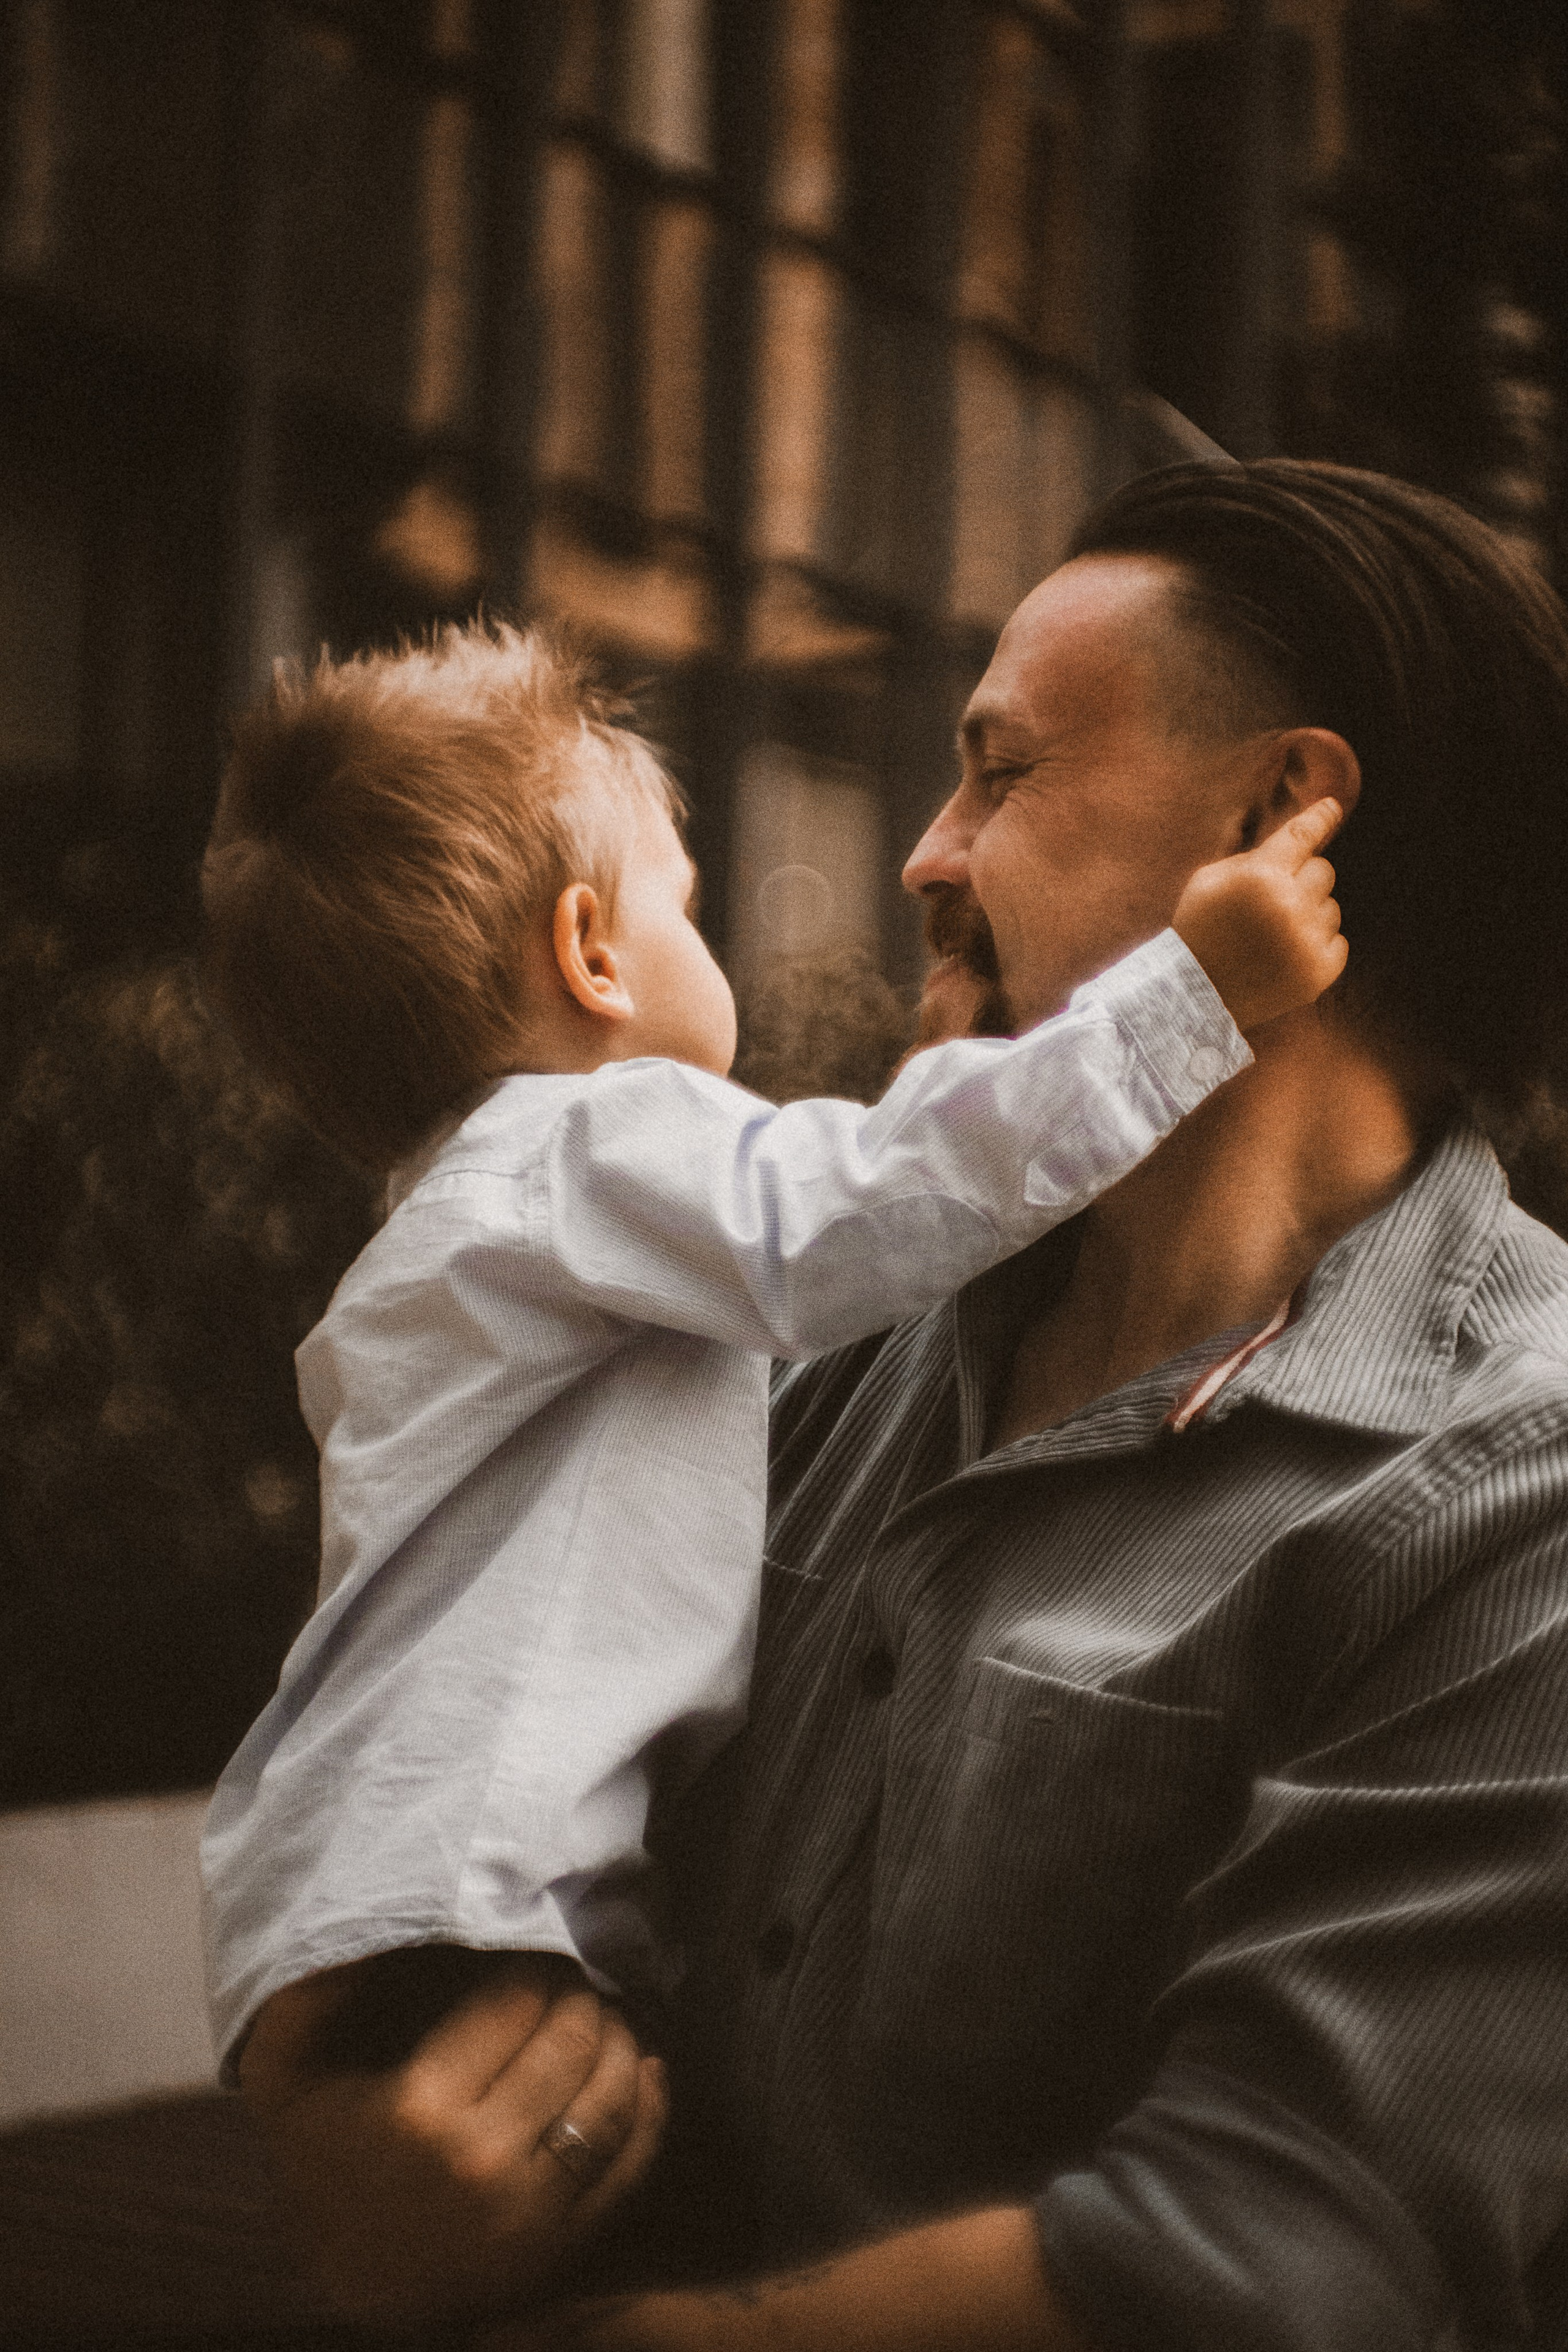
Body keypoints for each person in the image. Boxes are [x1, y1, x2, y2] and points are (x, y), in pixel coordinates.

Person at [237, 462, 1568, 2352]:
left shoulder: (1521, 1498)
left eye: (1003, 772)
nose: (927, 854)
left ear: (1277, 816)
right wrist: (361, 2164)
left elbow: (1261, 2260)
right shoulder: (784, 1360)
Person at [198, 621, 1344, 2090]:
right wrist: (1190, 995)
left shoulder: (463, 1214)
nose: (706, 934)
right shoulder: (581, 1147)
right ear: (592, 954)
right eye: (684, 905)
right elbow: (871, 1208)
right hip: (475, 1885)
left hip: (384, 1873)